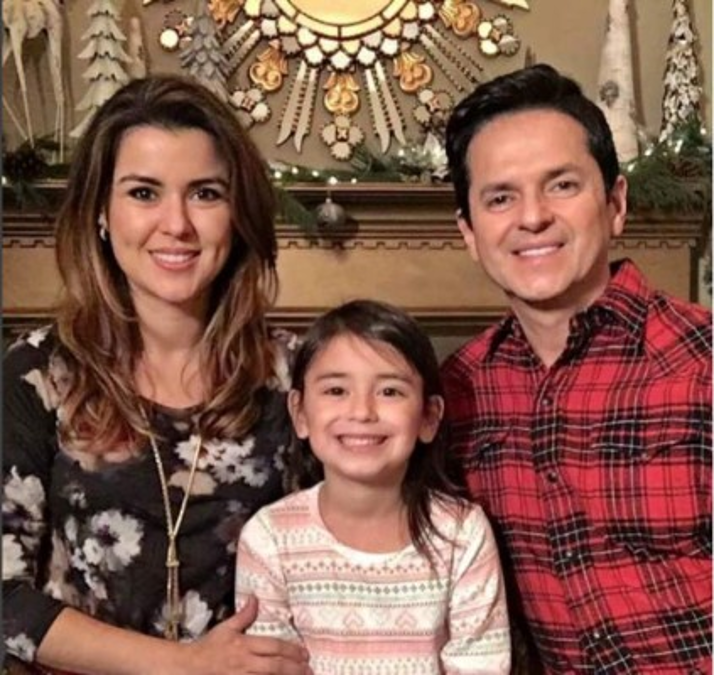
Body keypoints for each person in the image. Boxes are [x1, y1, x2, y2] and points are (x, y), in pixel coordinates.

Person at [3, 75, 312, 675]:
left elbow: (358, 545)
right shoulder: (36, 373)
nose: (177, 224)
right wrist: (186, 665)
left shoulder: (296, 375)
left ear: (238, 214)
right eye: (144, 193)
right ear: (100, 211)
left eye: (205, 194)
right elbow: (4, 600)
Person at [441, 63, 712, 674]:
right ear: (470, 232)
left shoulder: (701, 359)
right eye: (500, 198)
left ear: (615, 203)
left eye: (561, 185)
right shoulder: (456, 390)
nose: (532, 217)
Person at [234, 299, 511, 674]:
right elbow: (270, 667)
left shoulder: (462, 533)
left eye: (390, 392)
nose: (362, 412)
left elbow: (481, 665)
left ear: (429, 417)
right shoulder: (269, 537)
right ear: (300, 413)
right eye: (336, 391)